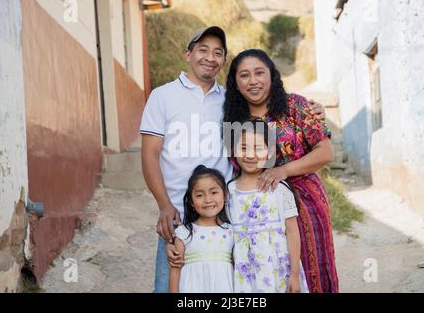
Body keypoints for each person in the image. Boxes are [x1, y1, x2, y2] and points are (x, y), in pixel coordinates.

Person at [140, 26, 326, 293]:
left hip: (226, 215)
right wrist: (164, 204)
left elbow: (266, 104)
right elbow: (149, 154)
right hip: (179, 215)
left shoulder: (230, 101)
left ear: (223, 61)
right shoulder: (163, 96)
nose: (210, 57)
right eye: (202, 50)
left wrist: (313, 110)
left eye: (218, 52)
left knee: (227, 285)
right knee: (171, 285)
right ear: (187, 54)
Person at [223, 49, 339, 293]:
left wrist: (282, 170)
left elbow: (325, 152)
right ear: (235, 83)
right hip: (258, 207)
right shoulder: (233, 119)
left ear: (272, 76)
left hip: (306, 202)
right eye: (244, 75)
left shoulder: (295, 104)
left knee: (313, 268)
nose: (252, 81)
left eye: (259, 73)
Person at [227, 120, 309, 293]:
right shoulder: (229, 192)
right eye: (243, 148)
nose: (250, 155)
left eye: (257, 148)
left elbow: (292, 231)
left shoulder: (279, 189)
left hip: (279, 270)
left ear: (270, 151)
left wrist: (294, 274)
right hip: (245, 274)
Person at [169, 165, 234, 293]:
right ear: (192, 202)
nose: (208, 200)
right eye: (199, 195)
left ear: (225, 196)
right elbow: (175, 271)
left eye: (214, 192)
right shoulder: (184, 233)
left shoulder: (232, 232)